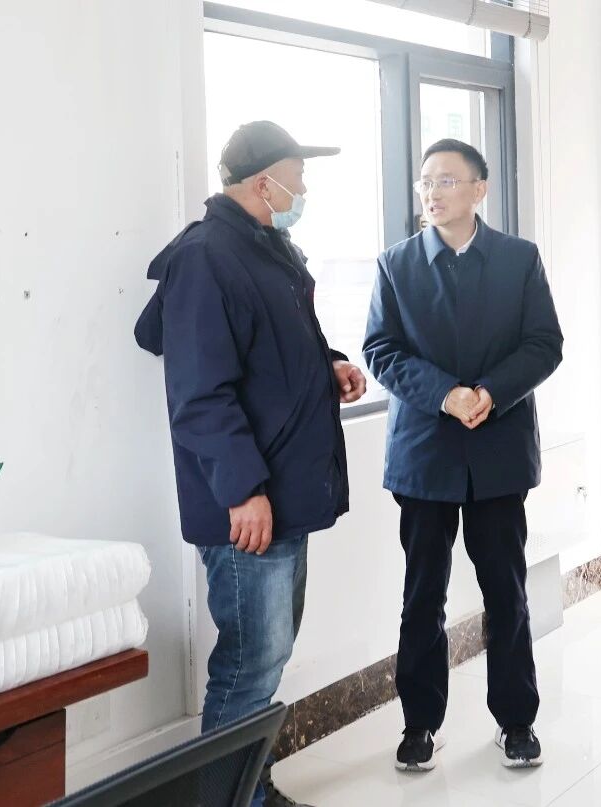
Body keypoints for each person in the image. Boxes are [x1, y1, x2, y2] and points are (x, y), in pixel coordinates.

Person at [134, 120, 366, 807]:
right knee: (248, 663)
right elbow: (200, 393)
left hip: (283, 492)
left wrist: (329, 366)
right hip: (249, 505)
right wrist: (242, 490)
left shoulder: (268, 249)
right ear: (265, 183)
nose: (305, 188)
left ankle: (248, 788)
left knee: (266, 658)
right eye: (299, 176)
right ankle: (228, 799)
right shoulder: (206, 257)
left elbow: (271, 349)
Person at [363, 138, 563, 773]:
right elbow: (381, 350)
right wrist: (445, 395)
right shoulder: (396, 265)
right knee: (422, 595)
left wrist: (490, 393)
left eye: (447, 180)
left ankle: (516, 722)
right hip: (425, 453)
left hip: (498, 451)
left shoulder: (518, 259)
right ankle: (420, 724)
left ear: (480, 189)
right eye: (426, 182)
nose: (433, 192)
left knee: (506, 591)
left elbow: (544, 343)